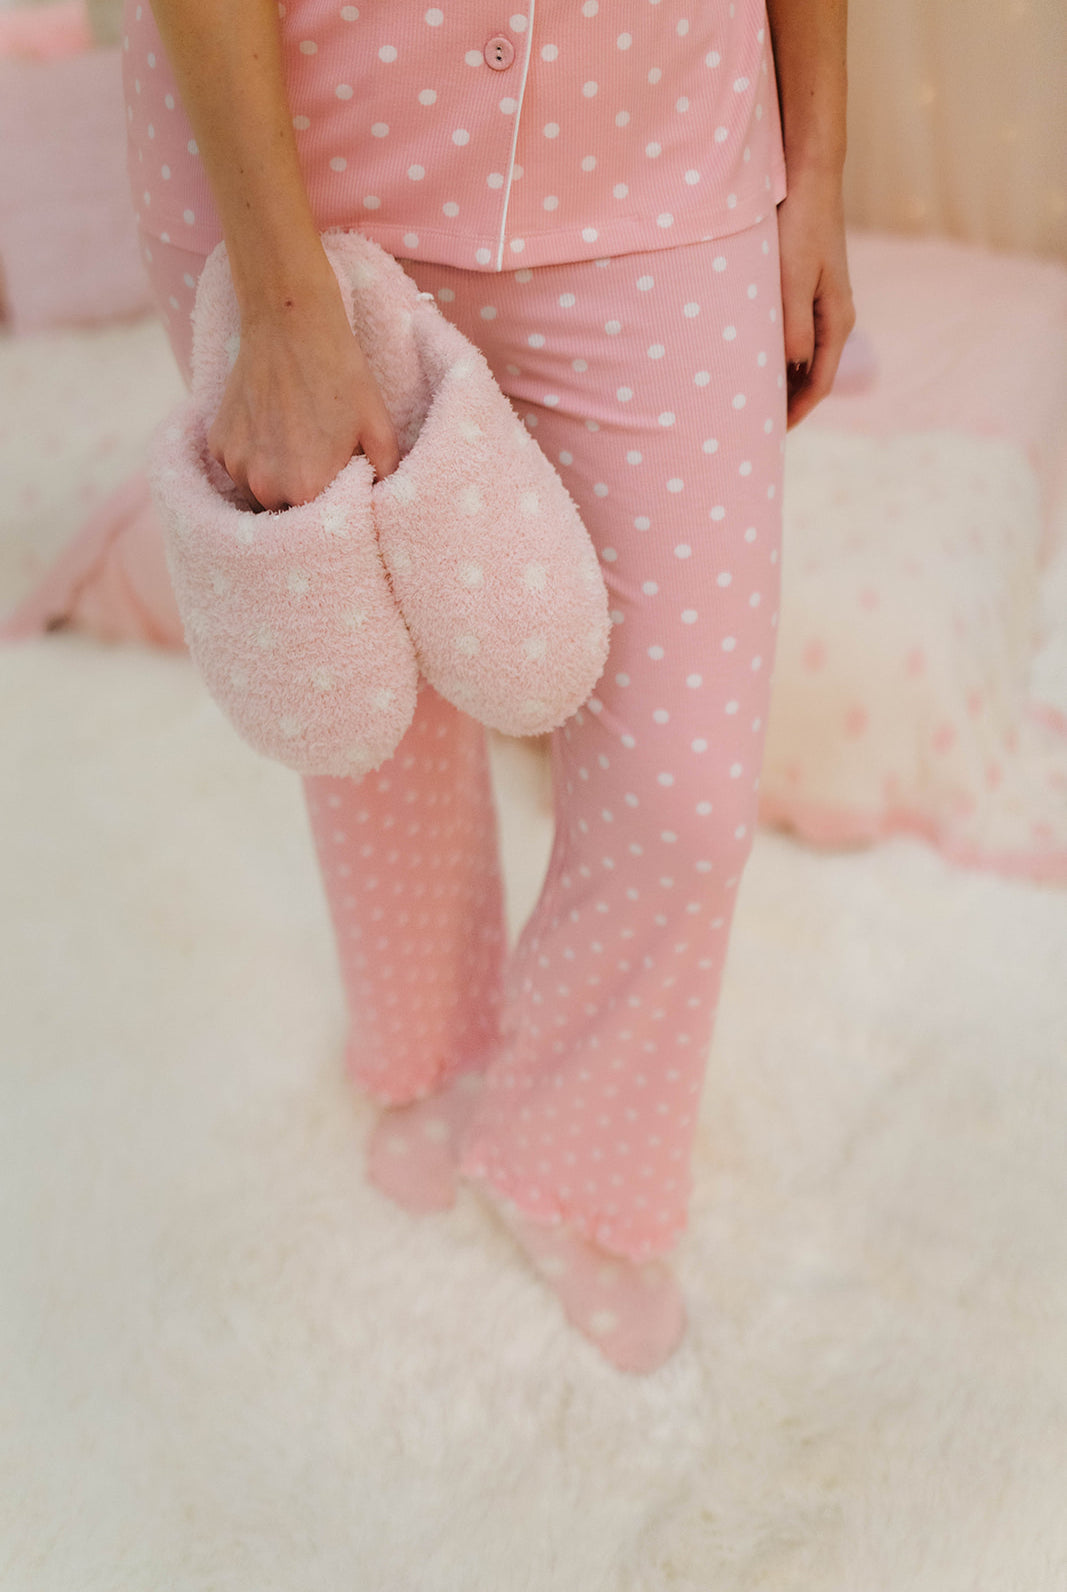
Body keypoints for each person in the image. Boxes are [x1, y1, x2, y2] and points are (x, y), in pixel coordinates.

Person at [125, 0, 854, 1373]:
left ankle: (570, 1147)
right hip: (289, 171)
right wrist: (284, 304)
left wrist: (815, 171)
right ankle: (429, 1050)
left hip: (660, 167)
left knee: (687, 788)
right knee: (364, 697)